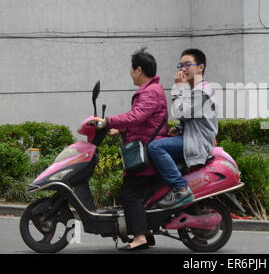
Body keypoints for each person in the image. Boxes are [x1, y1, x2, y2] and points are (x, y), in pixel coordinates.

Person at [91, 48, 168, 251]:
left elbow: (137, 116)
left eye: (131, 68)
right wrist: (120, 130)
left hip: (146, 152)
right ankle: (146, 232)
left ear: (139, 69)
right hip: (144, 147)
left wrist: (107, 122)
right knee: (139, 195)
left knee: (130, 194)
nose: (130, 72)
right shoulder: (152, 90)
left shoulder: (151, 92)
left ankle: (141, 237)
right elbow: (143, 121)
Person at [148, 48, 218, 209]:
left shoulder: (202, 91)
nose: (183, 69)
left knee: (155, 147)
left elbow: (180, 112)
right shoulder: (196, 90)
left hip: (197, 143)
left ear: (201, 67)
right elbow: (193, 118)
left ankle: (180, 188)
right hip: (191, 138)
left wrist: (179, 87)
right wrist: (180, 129)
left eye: (187, 65)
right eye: (180, 66)